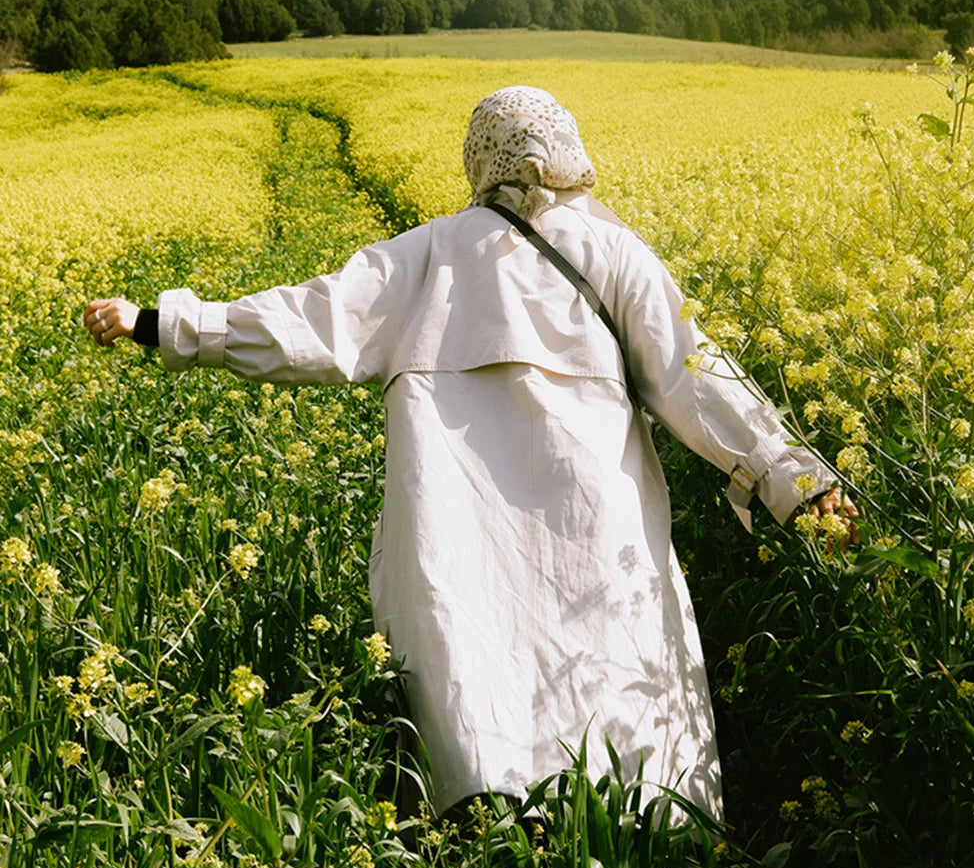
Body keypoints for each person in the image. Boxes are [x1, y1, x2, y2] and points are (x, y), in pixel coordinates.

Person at [84, 85, 857, 822]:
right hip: (595, 519)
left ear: (479, 157)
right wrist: (796, 482)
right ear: (565, 148)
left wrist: (159, 322)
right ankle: (649, 850)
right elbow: (699, 378)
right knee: (619, 670)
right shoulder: (612, 250)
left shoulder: (427, 255)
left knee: (477, 675)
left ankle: (494, 848)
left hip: (457, 521)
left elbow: (306, 320)